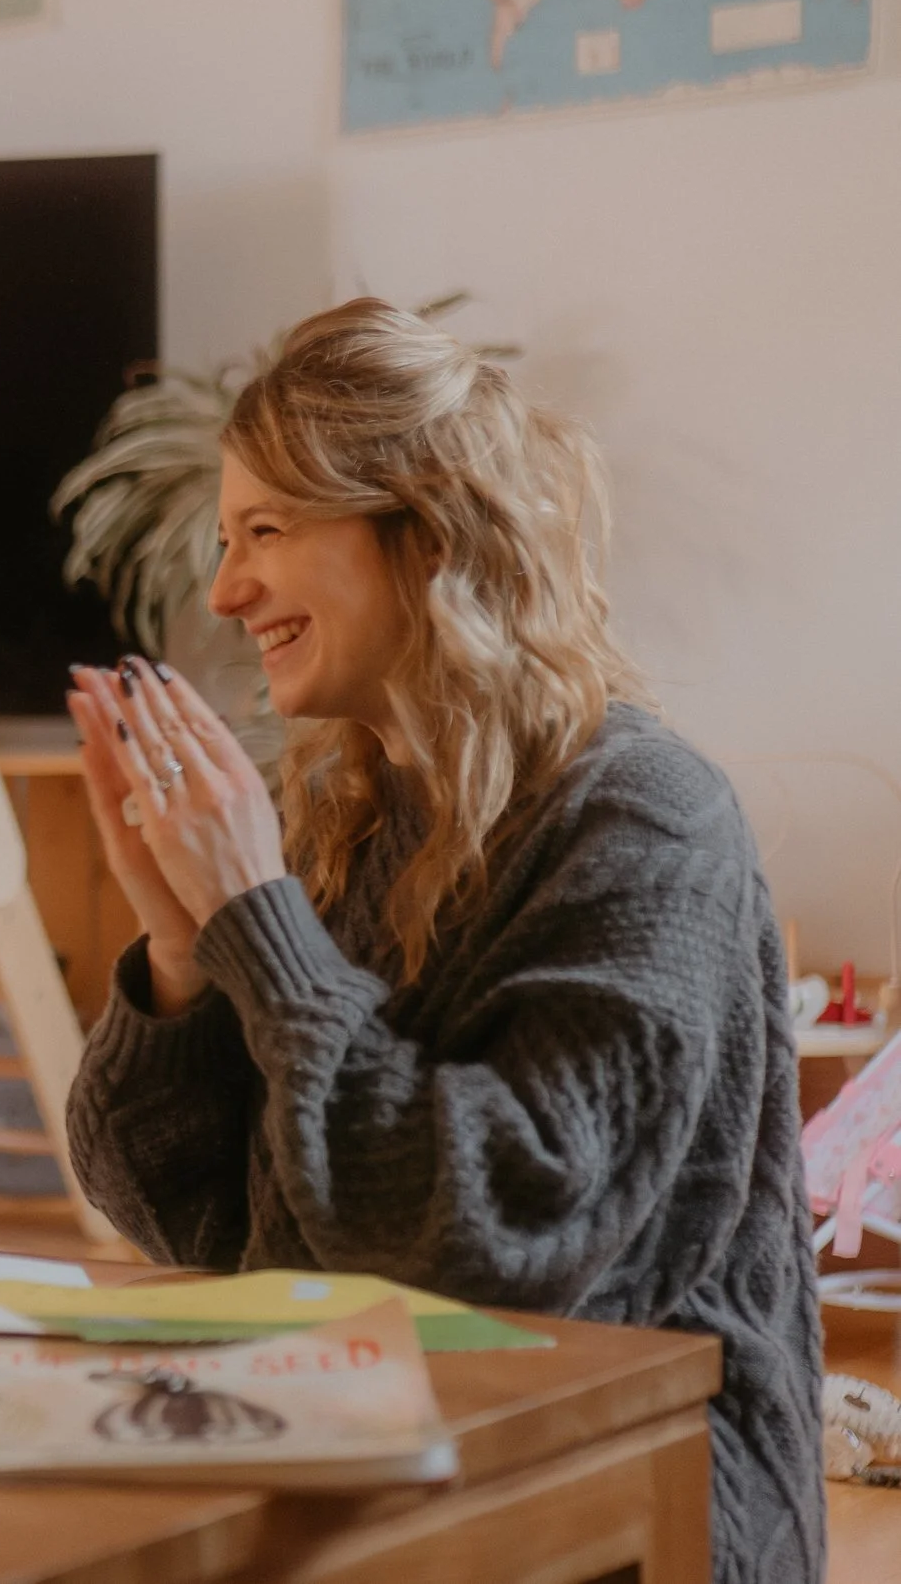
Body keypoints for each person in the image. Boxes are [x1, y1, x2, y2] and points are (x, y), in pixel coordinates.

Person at [63, 299, 823, 1584]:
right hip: (387, 1429)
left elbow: (484, 1240)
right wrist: (183, 950)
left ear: (419, 534)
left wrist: (261, 921)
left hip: (638, 1482)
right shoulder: (354, 811)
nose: (223, 587)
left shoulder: (643, 818)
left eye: (266, 532)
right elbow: (198, 1227)